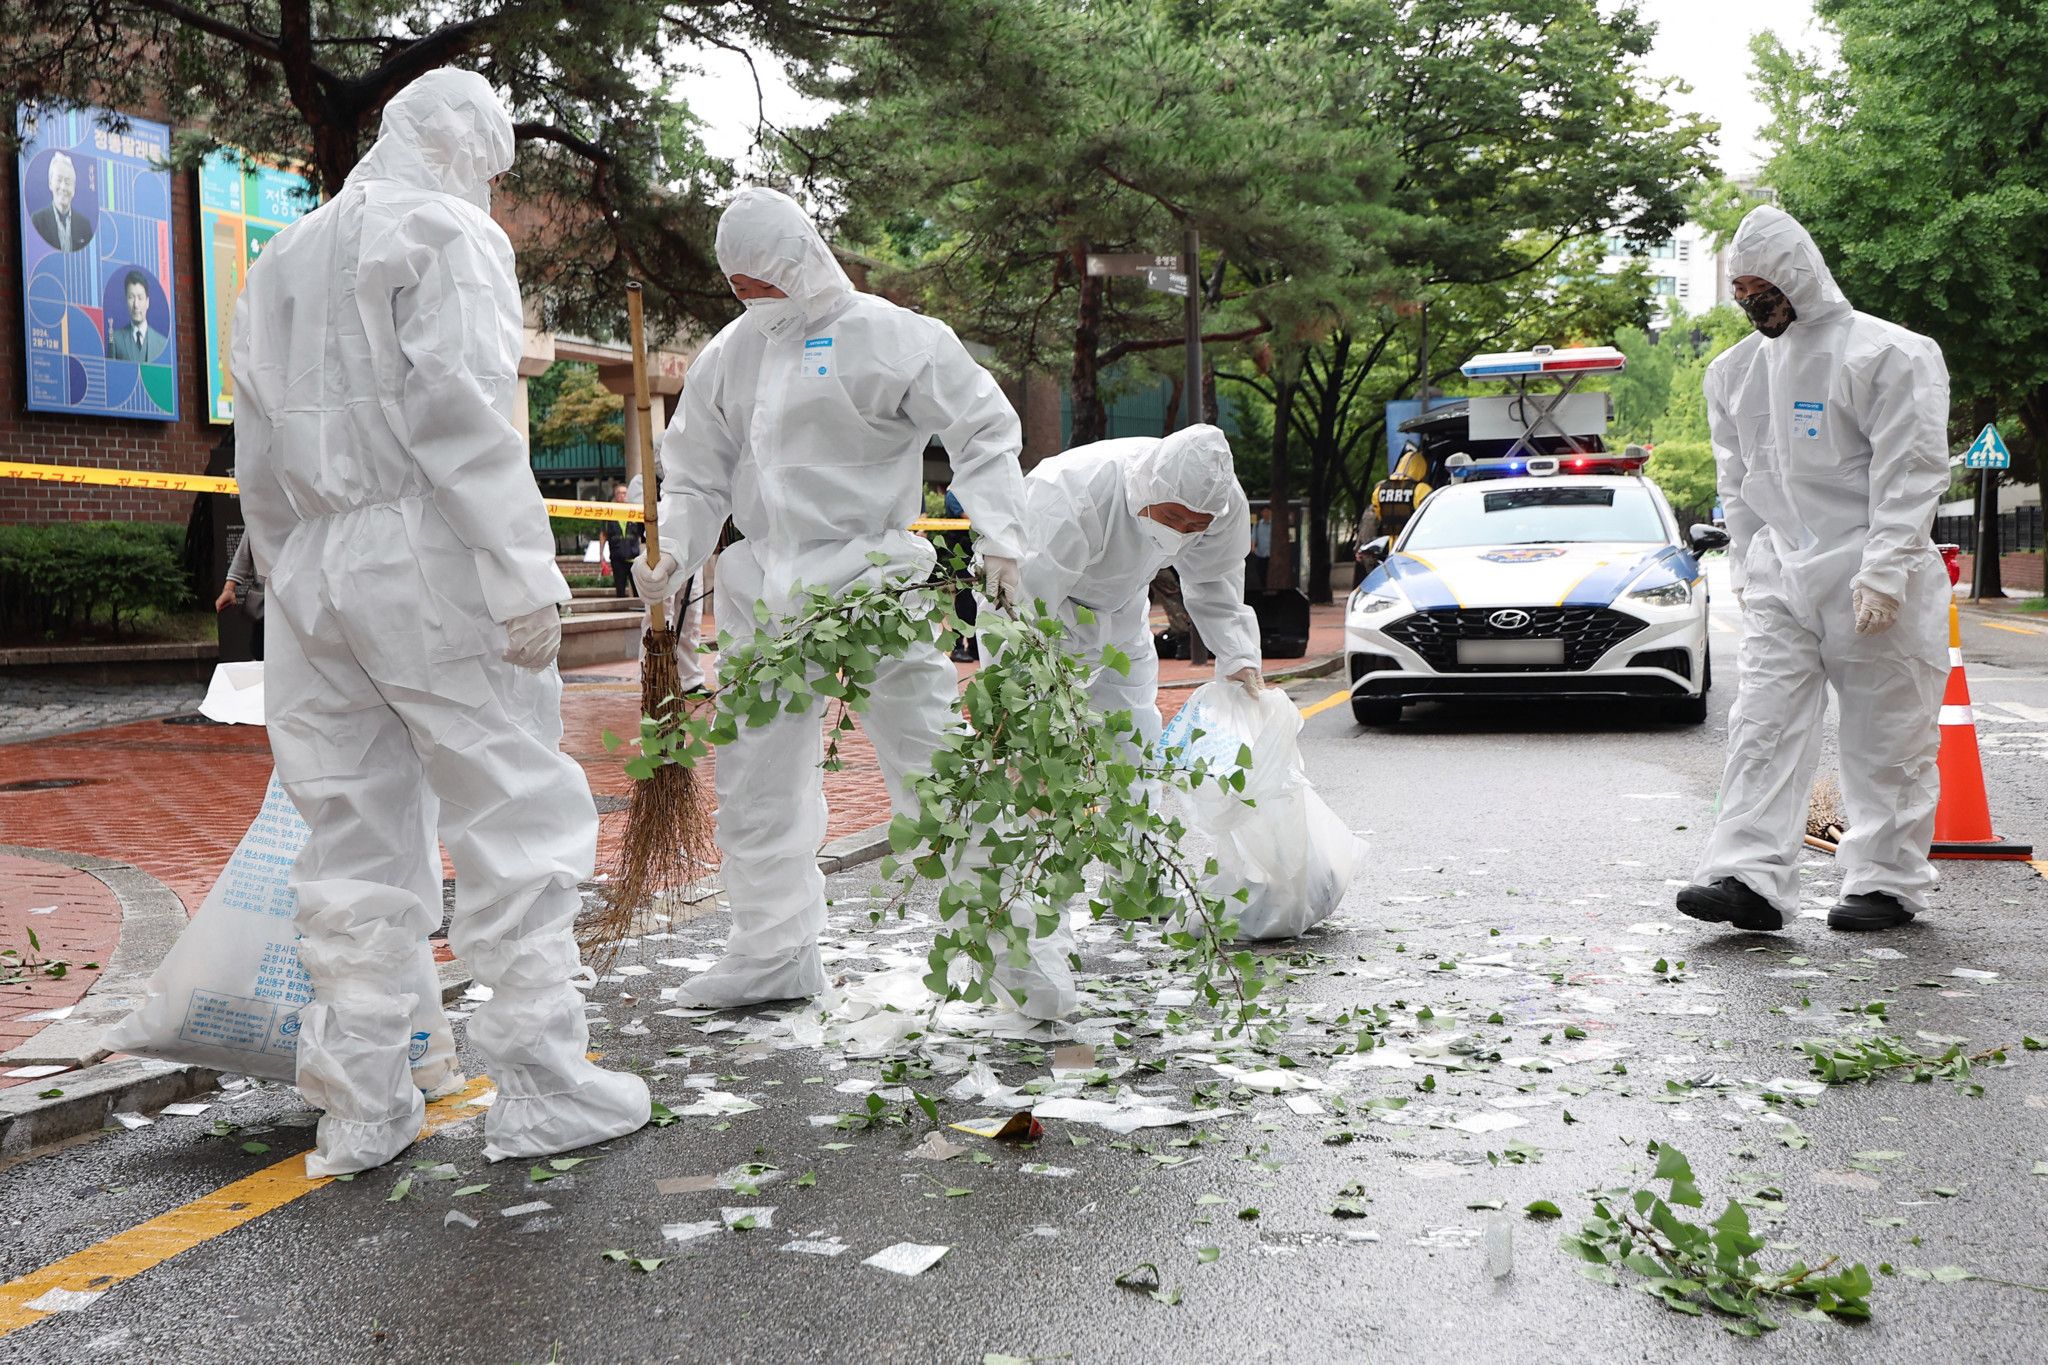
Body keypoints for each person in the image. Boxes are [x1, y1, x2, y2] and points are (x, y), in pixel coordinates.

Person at [230, 68, 649, 1177]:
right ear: (461, 140)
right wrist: (520, 569)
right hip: (424, 551)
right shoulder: (443, 230)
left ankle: (361, 1104)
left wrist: (288, 577)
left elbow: (257, 449)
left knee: (351, 834)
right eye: (497, 165)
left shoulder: (283, 255)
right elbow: (459, 411)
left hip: (316, 566)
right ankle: (546, 1085)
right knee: (513, 806)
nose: (498, 189)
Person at [633, 186, 1035, 1011]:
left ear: (803, 261)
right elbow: (698, 470)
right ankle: (772, 953)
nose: (752, 300)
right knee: (756, 781)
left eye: (766, 283)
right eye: (738, 286)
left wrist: (1001, 535)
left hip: (873, 586)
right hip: (765, 594)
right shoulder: (731, 353)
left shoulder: (889, 336)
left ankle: (1013, 953)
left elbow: (982, 425)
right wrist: (674, 550)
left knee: (935, 767)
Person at [1676, 205, 1950, 936]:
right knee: (1761, 724)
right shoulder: (1733, 374)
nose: (1755, 307)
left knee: (1886, 736)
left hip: (1872, 572)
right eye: (1743, 294)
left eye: (1766, 291)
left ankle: (1885, 883)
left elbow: (1911, 470)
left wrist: (1887, 569)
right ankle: (1747, 877)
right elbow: (1739, 482)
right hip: (1784, 578)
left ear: (1800, 276)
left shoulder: (1890, 354)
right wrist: (1747, 564)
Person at [1020, 423, 1265, 755]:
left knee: (1135, 741)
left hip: (1125, 609)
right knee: (1043, 748)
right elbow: (1023, 606)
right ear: (1149, 489)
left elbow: (1214, 576)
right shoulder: (1071, 493)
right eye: (1172, 516)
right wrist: (1018, 726)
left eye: (1195, 526)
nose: (1181, 532)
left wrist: (1238, 655)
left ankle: (1141, 808)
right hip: (1050, 616)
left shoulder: (1220, 501)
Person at [214, 533, 265, 659]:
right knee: (260, 652)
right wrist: (229, 588)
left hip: (299, 599)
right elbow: (245, 550)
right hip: (265, 602)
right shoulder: (257, 516)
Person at [30, 151, 93, 252]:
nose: (63, 187)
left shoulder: (84, 225)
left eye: (68, 182)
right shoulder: (38, 221)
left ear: (74, 188)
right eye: (59, 180)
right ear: (50, 183)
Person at [106, 271, 166, 362]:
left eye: (140, 298)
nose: (136, 305)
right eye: (131, 297)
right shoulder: (115, 339)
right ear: (126, 301)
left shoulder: (162, 342)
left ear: (147, 302)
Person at [608, 482, 639, 599]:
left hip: (633, 556)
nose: (621, 496)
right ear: (615, 496)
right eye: (619, 493)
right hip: (617, 556)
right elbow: (603, 534)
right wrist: (601, 555)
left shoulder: (635, 511)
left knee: (637, 588)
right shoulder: (609, 512)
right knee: (620, 589)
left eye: (624, 493)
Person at [1247, 504, 1272, 592]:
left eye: (1268, 511)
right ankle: (1263, 590)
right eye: (1264, 511)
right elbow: (1253, 537)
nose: (1266, 513)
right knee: (1261, 574)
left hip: (1271, 555)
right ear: (1261, 513)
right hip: (1260, 554)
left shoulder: (1274, 525)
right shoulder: (1257, 525)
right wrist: (1252, 547)